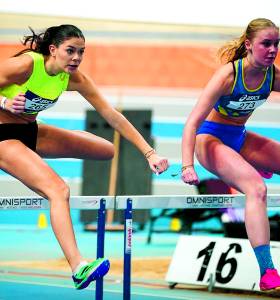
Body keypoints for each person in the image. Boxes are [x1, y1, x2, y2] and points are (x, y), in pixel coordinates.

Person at [0, 24, 168, 290]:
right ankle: (78, 267)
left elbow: (112, 115)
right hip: (2, 135)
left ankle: (65, 138)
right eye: (70, 51)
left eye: (81, 52)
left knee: (105, 150)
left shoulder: (72, 78)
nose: (77, 58)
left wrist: (149, 152)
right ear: (53, 50)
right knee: (58, 189)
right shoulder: (26, 66)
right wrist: (4, 103)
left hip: (29, 130)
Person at [181, 18, 280, 293]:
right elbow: (192, 123)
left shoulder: (274, 76)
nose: (272, 50)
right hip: (209, 140)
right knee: (256, 188)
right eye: (266, 44)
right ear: (248, 45)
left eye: (276, 44)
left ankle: (252, 163)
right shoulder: (228, 75)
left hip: (240, 138)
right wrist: (187, 165)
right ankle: (268, 272)